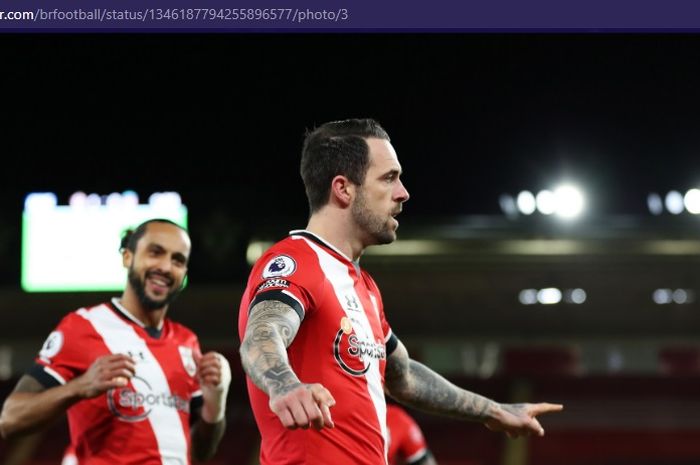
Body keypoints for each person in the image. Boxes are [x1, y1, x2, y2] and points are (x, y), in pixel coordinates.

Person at [238, 118, 563, 465]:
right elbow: (263, 331)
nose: (403, 193)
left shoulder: (364, 287)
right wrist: (284, 385)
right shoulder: (295, 260)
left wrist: (494, 411)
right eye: (389, 178)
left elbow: (403, 376)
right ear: (343, 189)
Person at [0, 219, 231, 465]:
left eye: (178, 260)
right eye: (155, 252)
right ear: (127, 257)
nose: (165, 266)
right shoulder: (83, 326)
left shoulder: (187, 341)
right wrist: (81, 386)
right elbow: (10, 419)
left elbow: (199, 453)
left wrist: (215, 404)